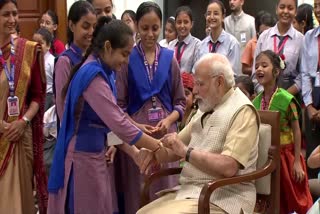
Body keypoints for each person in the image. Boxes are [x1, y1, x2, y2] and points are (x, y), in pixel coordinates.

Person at [47, 17, 174, 214]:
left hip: (94, 156)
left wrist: (135, 153)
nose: (126, 62)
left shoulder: (102, 71)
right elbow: (118, 122)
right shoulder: (93, 76)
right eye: (124, 54)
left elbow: (109, 125)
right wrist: (157, 146)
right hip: (81, 160)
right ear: (108, 47)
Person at [137, 53, 260, 214]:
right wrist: (153, 153)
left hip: (225, 195)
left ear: (219, 82)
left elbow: (229, 166)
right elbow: (173, 148)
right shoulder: (206, 107)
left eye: (200, 84)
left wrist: (186, 152)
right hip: (193, 192)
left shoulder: (242, 111)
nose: (194, 90)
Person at [116, 2, 186, 213]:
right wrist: (135, 124)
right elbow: (118, 107)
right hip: (136, 136)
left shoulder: (169, 58)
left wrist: (169, 120)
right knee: (138, 190)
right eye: (144, 28)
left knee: (165, 191)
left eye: (155, 28)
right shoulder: (126, 59)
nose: (150, 34)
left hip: (166, 136)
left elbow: (180, 102)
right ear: (136, 26)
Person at [0, 0, 47, 213]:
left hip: (20, 135)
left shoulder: (27, 51)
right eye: (5, 15)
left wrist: (23, 121)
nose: (12, 20)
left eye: (15, 14)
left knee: (22, 200)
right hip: (3, 134)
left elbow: (37, 96)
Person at [253, 50, 313, 213]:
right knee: (268, 201)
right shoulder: (255, 101)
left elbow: (297, 130)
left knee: (290, 199)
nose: (259, 69)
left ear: (276, 71)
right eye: (257, 65)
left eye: (264, 65)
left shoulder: (287, 99)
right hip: (264, 157)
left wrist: (297, 162)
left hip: (286, 157)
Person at [54, 1, 96, 121]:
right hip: (77, 134)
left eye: (94, 26)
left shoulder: (96, 58)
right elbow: (63, 109)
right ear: (72, 26)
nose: (91, 32)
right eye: (86, 26)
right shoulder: (65, 61)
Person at [253, 0, 303, 95]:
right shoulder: (264, 37)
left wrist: (285, 96)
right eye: (282, 7)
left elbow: (303, 75)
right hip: (264, 96)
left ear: (296, 12)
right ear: (276, 9)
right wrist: (265, 94)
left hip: (290, 97)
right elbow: (254, 71)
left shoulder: (301, 40)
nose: (285, 11)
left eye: (290, 8)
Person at [300, 0, 320, 185]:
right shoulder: (309, 37)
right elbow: (305, 72)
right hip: (314, 95)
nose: (318, 10)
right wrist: (309, 105)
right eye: (316, 6)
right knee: (313, 154)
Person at [195, 0, 241, 75]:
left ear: (223, 17)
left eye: (216, 13)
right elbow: (196, 71)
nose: (212, 17)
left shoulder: (232, 43)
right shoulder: (201, 45)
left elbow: (233, 75)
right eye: (209, 14)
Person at [167, 6, 201, 73]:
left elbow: (197, 72)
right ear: (175, 24)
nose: (182, 26)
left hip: (189, 83)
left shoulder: (197, 45)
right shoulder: (171, 45)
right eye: (179, 22)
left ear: (191, 24)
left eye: (186, 22)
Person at [241, 11, 276, 75]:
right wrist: (259, 69)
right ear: (257, 31)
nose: (265, 36)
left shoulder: (277, 42)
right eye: (262, 33)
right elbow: (244, 69)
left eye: (269, 33)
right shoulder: (251, 43)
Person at [33, 28, 55, 111]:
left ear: (48, 46)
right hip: (35, 96)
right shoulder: (32, 60)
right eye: (34, 43)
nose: (37, 46)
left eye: (41, 43)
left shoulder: (52, 61)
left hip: (48, 97)